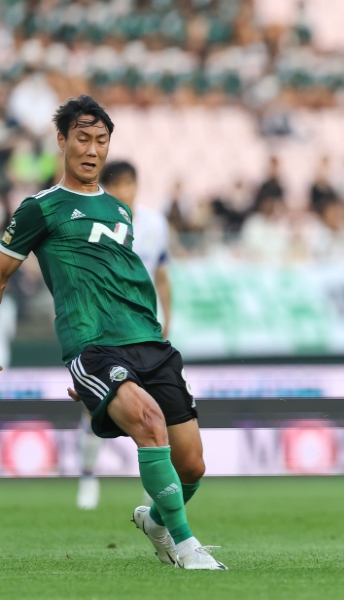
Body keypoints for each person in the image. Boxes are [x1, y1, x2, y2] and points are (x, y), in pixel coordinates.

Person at [0, 95, 225, 570]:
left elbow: (128, 278)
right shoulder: (40, 208)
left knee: (192, 465)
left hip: (149, 341)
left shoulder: (120, 212)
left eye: (101, 140)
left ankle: (157, 523)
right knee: (149, 423)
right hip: (94, 345)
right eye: (82, 138)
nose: (92, 149)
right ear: (62, 140)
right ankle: (187, 547)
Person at [75, 160, 173, 511]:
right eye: (115, 186)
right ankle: (88, 476)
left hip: (145, 328)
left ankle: (154, 491)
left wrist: (168, 319)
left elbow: (161, 276)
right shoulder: (91, 224)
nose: (123, 192)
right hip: (104, 328)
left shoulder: (155, 225)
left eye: (128, 185)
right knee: (95, 406)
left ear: (135, 186)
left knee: (155, 408)